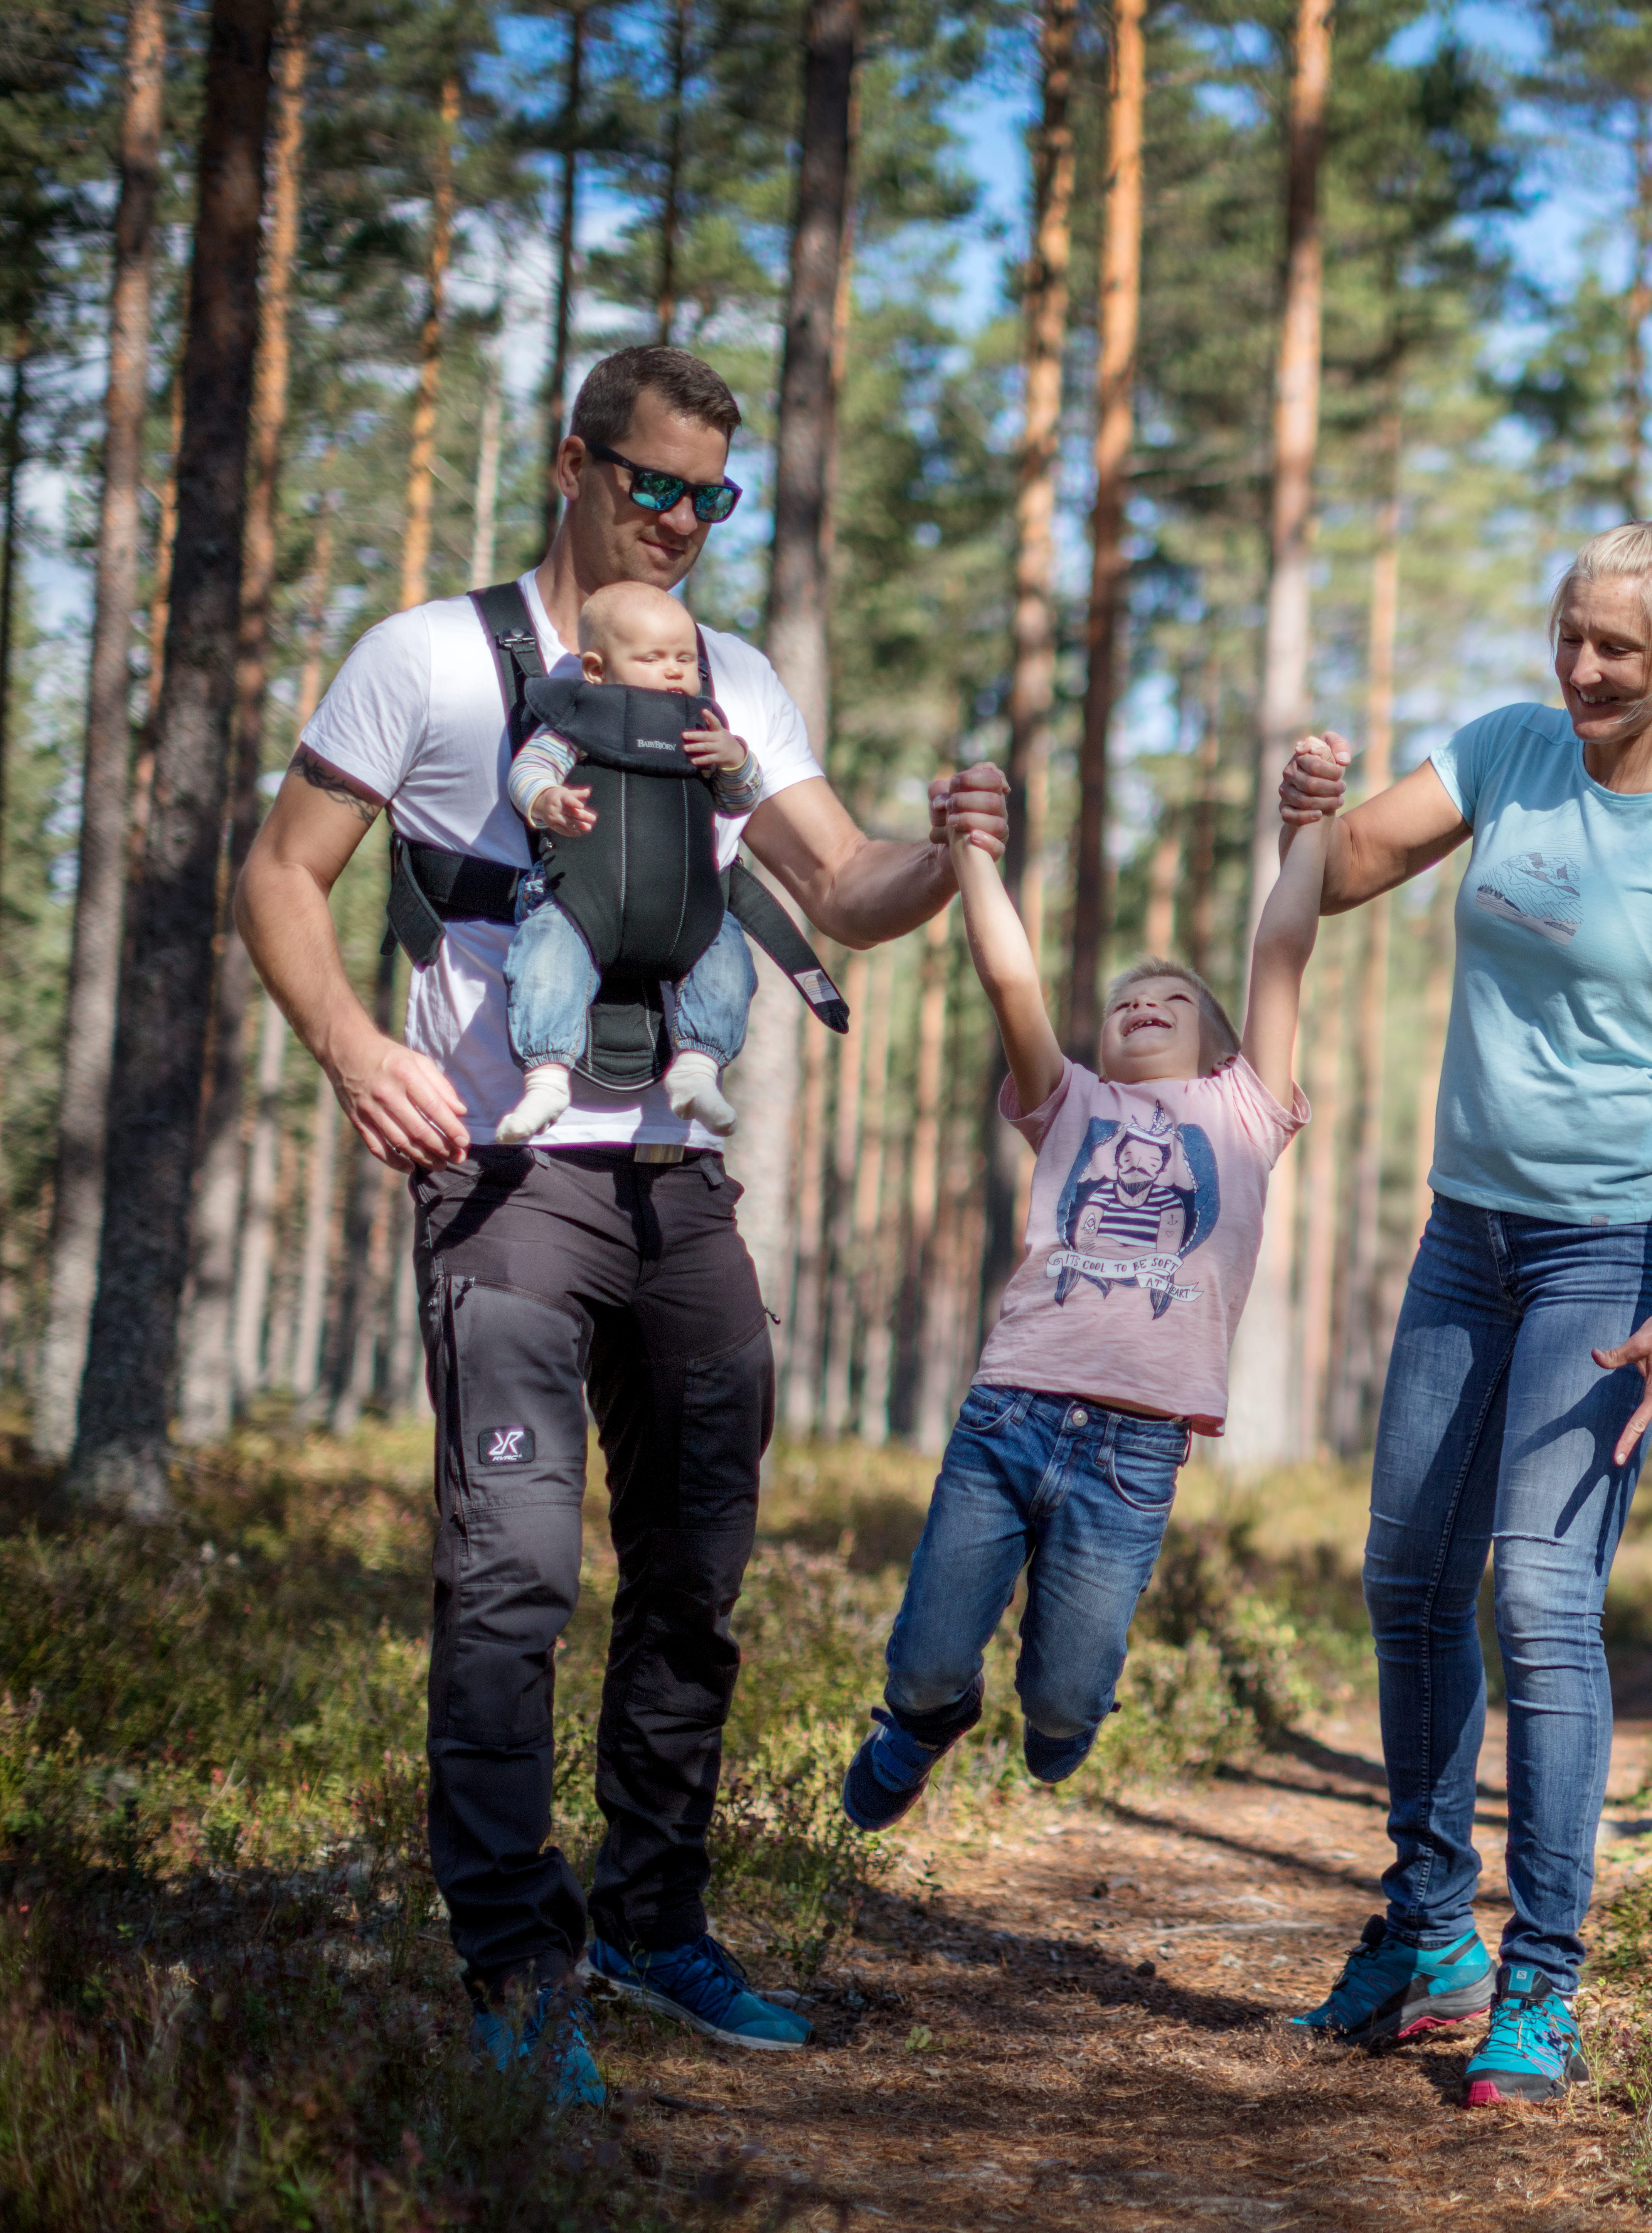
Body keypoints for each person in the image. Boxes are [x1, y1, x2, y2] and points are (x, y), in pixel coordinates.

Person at [235, 345, 1010, 2108]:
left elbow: (838, 883)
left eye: (710, 497)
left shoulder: (725, 673)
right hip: (508, 1182)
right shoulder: (432, 658)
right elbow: (283, 874)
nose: (680, 522)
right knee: (513, 1577)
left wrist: (947, 847)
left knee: (697, 1577)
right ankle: (519, 1964)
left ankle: (659, 1922)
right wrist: (359, 1051)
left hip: (678, 1182)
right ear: (571, 462)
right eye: (652, 484)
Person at [1280, 522, 1652, 2107]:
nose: (1578, 671)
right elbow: (1351, 867)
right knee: (1407, 1576)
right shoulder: (1511, 750)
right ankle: (1427, 1934)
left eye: (1614, 651)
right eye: (1568, 636)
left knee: (1541, 1596)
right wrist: (1310, 808)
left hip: (1614, 1254)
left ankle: (1542, 1982)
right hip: (1467, 1231)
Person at [839, 757, 1331, 1825]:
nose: (1141, 1007)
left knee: (1063, 1707)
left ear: (1223, 1047)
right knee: (920, 1667)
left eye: (1170, 1001)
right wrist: (973, 855)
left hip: (1134, 1450)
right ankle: (926, 1722)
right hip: (1007, 1414)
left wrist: (1312, 831)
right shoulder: (1066, 1103)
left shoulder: (1247, 1113)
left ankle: (1060, 1719)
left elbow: (1280, 949)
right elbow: (1012, 983)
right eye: (1122, 1003)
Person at [498, 579, 761, 1145]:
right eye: (653, 658)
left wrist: (735, 761)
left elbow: (740, 804)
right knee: (545, 957)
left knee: (728, 961)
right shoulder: (579, 719)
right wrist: (546, 800)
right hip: (581, 898)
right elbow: (529, 769)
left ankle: (699, 1067)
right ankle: (546, 1074)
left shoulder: (703, 731)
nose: (674, 672)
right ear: (596, 669)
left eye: (685, 659)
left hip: (689, 908)